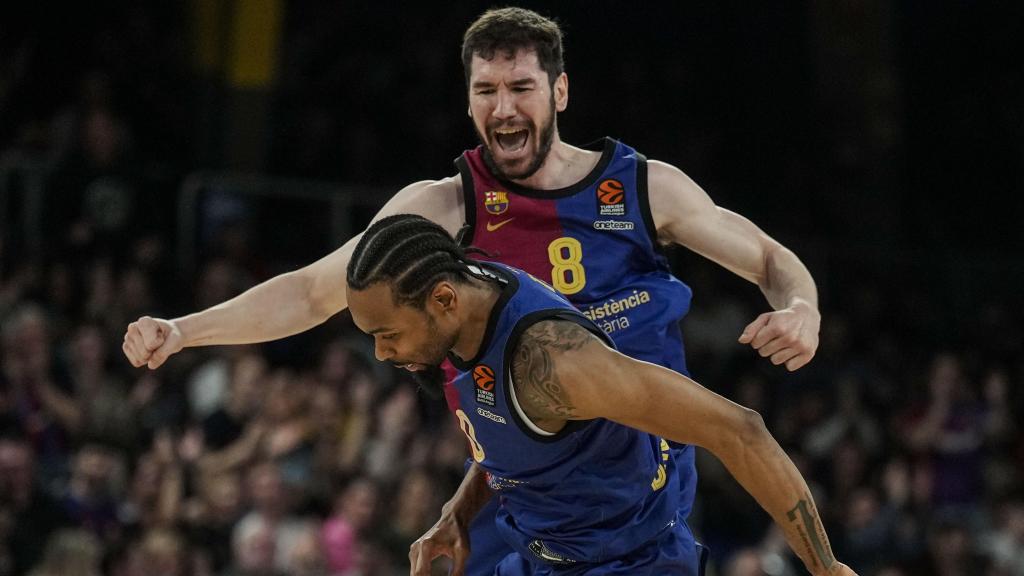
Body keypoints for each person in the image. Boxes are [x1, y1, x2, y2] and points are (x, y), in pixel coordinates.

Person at [123, 6, 821, 572]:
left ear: (560, 92)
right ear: (468, 101)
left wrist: (800, 308)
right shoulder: (444, 207)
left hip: (638, 492)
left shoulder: (641, 187)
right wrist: (184, 330)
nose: (504, 107)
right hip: (523, 481)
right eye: (487, 91)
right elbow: (310, 292)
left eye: (521, 87)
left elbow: (767, 258)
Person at [344, 214, 852, 575]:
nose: (382, 353)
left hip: (628, 563)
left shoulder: (559, 364)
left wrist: (825, 567)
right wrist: (458, 511)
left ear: (443, 300)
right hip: (542, 554)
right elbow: (506, 429)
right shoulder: (461, 293)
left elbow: (740, 431)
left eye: (388, 335)